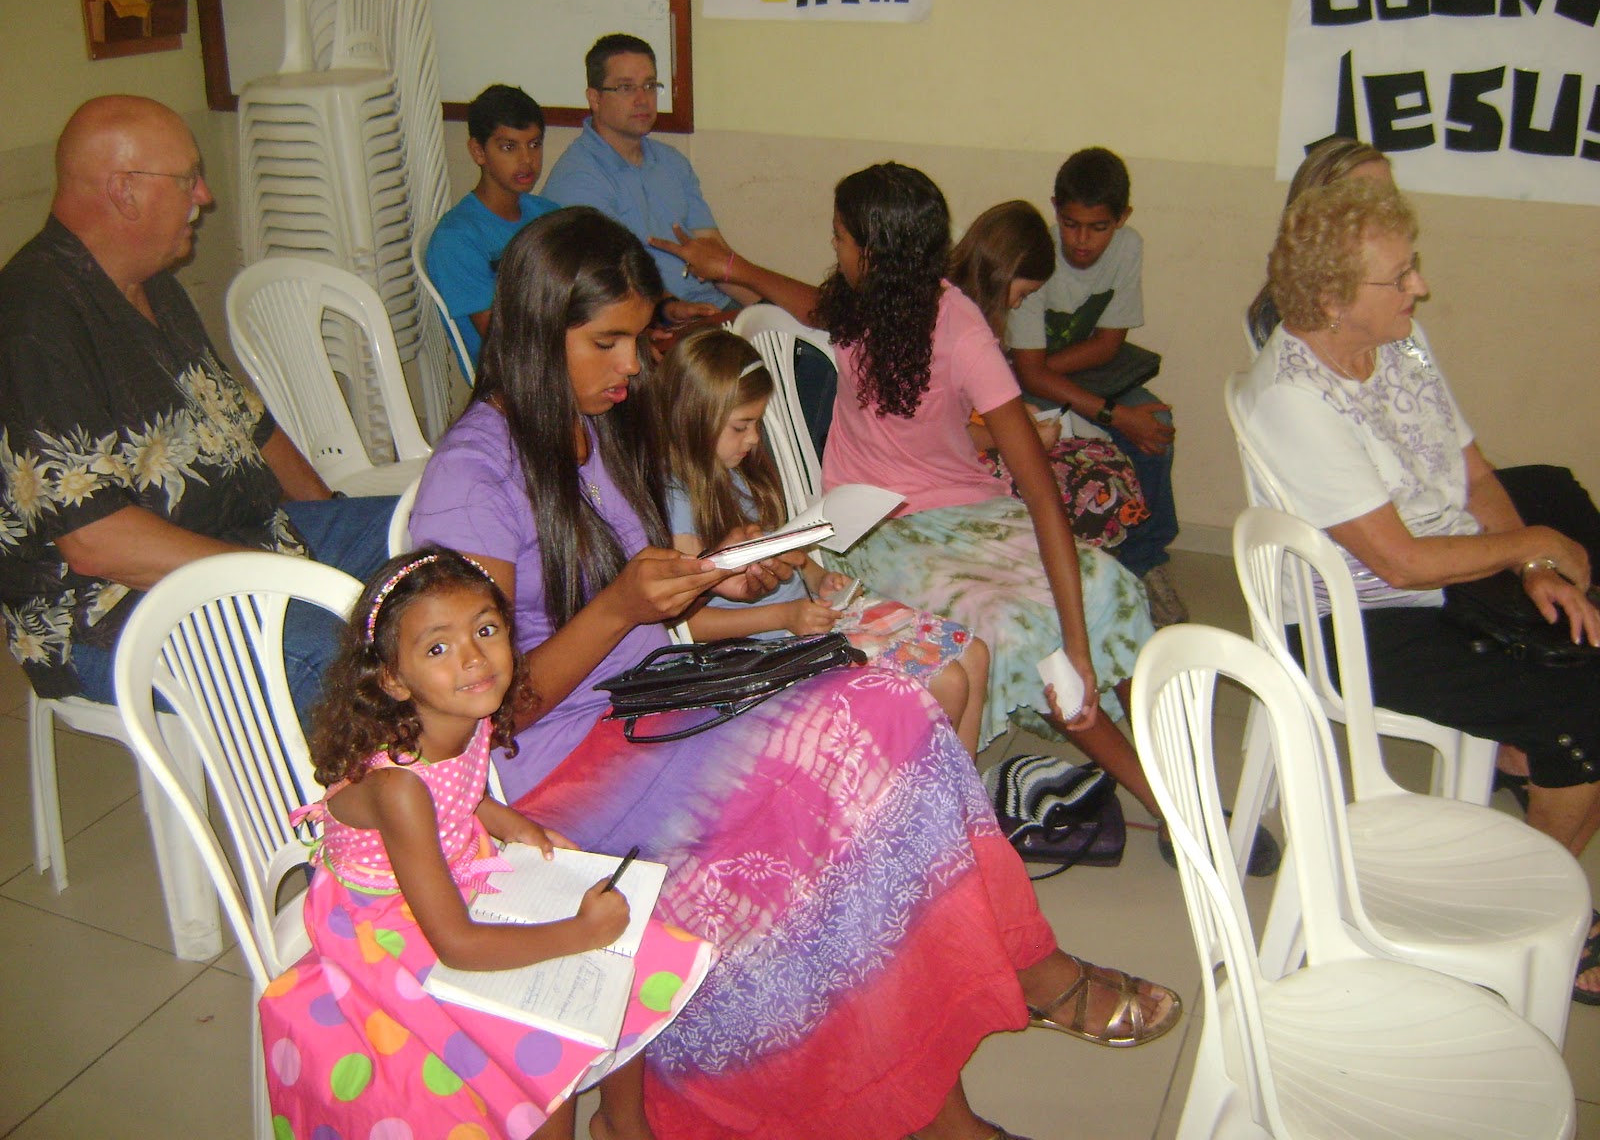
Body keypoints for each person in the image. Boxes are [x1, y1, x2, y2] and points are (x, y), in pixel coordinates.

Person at [407, 206, 1181, 1140]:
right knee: (839, 814)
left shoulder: (589, 426)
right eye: (606, 342)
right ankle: (951, 1090)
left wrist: (716, 574)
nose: (632, 366)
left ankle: (998, 997)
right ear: (536, 331)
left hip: (654, 701)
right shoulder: (471, 479)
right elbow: (481, 710)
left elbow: (639, 587)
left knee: (893, 714)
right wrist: (623, 607)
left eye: (638, 339)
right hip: (562, 763)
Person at [649, 165, 1248, 869]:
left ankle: (1177, 777)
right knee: (1016, 626)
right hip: (874, 528)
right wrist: (731, 266)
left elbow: (1040, 492)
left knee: (1107, 588)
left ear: (874, 252)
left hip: (972, 510)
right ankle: (1172, 810)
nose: (834, 247)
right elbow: (811, 306)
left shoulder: (961, 329)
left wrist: (1080, 648)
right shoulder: (863, 302)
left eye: (840, 237)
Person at [258, 546, 714, 1139]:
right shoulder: (398, 789)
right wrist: (580, 932)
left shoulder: (465, 711)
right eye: (438, 648)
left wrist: (504, 820)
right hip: (389, 924)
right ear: (392, 679)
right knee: (537, 1037)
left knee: (626, 959)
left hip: (455, 866)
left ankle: (622, 1123)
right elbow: (457, 945)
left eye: (486, 630)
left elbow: (458, 791)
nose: (473, 658)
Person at [1235, 179, 1600, 889]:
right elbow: (1400, 564)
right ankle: (1530, 897)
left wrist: (1533, 566)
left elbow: (1472, 469)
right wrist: (1530, 546)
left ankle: (1530, 765)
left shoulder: (1402, 343)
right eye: (1399, 277)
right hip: (1359, 619)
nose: (1420, 288)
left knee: (1554, 493)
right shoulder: (1293, 399)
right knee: (1584, 708)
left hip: (1435, 556)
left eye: (1413, 268)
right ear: (1333, 299)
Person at [0, 95, 393, 713]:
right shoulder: (34, 318)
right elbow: (97, 543)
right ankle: (398, 774)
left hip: (245, 541)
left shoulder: (153, 285)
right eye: (188, 178)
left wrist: (329, 527)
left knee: (443, 530)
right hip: (110, 610)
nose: (204, 197)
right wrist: (296, 580)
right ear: (125, 191)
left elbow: (249, 425)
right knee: (340, 661)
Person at [654, 323, 992, 752]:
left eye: (756, 423)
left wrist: (814, 575)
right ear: (693, 416)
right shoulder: (676, 504)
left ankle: (966, 792)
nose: (754, 438)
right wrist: (783, 617)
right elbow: (687, 623)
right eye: (741, 426)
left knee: (974, 654)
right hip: (769, 647)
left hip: (806, 616)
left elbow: (779, 546)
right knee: (948, 681)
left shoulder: (733, 470)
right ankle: (925, 788)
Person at [1004, 148, 1185, 624]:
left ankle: (1145, 558)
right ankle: (1105, 560)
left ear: (1122, 218)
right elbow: (1026, 377)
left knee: (1157, 426)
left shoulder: (1128, 246)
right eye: (1070, 224)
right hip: (1028, 385)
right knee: (1103, 433)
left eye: (1098, 227)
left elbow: (1108, 344)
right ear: (1055, 211)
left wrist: (1043, 369)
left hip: (1072, 371)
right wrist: (1111, 412)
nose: (1082, 240)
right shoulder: (1036, 256)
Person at [949, 200, 1149, 554]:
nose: (1016, 305)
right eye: (1021, 294)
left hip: (989, 435)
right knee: (1087, 486)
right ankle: (1065, 566)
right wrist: (1020, 436)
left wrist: (1020, 415)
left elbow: (986, 400)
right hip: (963, 458)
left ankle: (1087, 565)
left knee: (1106, 460)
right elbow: (946, 432)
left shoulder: (974, 317)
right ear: (1000, 275)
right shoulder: (953, 328)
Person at [543, 33, 733, 328]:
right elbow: (609, 288)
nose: (643, 99)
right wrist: (670, 310)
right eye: (626, 87)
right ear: (595, 98)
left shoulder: (671, 162)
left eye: (649, 85)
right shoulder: (578, 179)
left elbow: (719, 256)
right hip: (651, 325)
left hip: (715, 309)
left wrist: (764, 303)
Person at [425, 83, 561, 376]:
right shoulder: (456, 239)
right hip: (514, 377)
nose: (527, 160)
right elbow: (504, 343)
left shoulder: (549, 214)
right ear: (478, 151)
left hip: (564, 354)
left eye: (534, 144)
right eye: (509, 147)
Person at [1243, 136, 1392, 350]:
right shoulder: (1282, 316)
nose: (1388, 212)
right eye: (1368, 200)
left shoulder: (1394, 293)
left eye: (1390, 198)